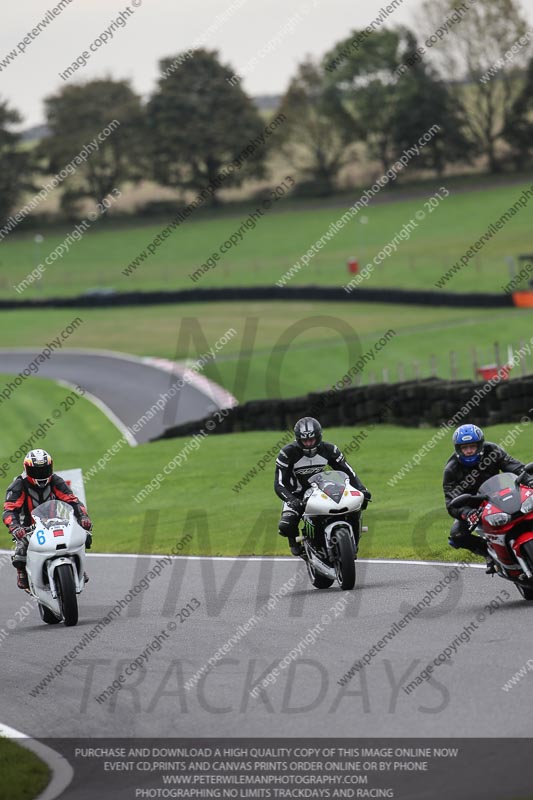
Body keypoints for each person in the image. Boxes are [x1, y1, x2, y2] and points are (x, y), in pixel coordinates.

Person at [274, 417, 371, 556]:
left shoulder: (330, 449)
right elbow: (279, 484)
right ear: (298, 439)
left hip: (322, 490)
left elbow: (347, 471)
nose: (309, 444)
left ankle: (353, 541)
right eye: (304, 441)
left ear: (318, 437)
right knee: (286, 526)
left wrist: (362, 489)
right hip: (297, 494)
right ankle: (296, 543)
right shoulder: (287, 453)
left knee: (355, 506)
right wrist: (291, 500)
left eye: (312, 440)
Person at [443, 424, 529, 573]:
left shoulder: (492, 451)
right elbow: (451, 502)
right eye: (464, 448)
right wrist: (467, 513)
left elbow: (515, 467)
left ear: (480, 445)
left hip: (499, 494)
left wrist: (528, 479)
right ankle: (489, 554)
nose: (469, 451)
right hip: (473, 506)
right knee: (457, 535)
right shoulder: (451, 469)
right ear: (458, 449)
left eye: (472, 446)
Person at [2, 449, 92, 590]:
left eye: (45, 469)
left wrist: (83, 516)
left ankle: (76, 566)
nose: (41, 474)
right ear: (26, 468)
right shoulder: (19, 485)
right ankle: (22, 572)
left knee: (83, 536)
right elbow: (9, 510)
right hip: (28, 527)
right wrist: (15, 527)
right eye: (36, 471)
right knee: (21, 550)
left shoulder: (56, 480)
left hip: (55, 521)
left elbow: (72, 500)